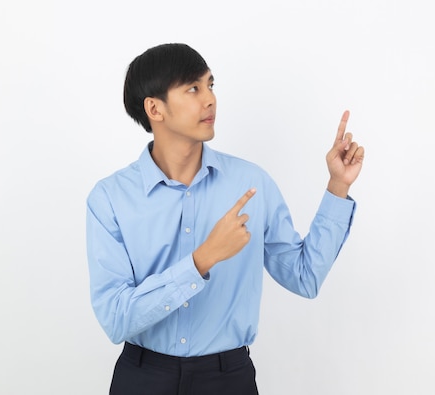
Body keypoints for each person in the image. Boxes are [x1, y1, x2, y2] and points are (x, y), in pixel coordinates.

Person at [86, 43, 364, 395]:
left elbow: (304, 277)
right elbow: (115, 319)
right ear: (155, 108)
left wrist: (338, 186)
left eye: (210, 85)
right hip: (142, 378)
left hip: (227, 379)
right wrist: (203, 259)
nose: (210, 99)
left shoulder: (251, 183)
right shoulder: (110, 197)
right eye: (193, 88)